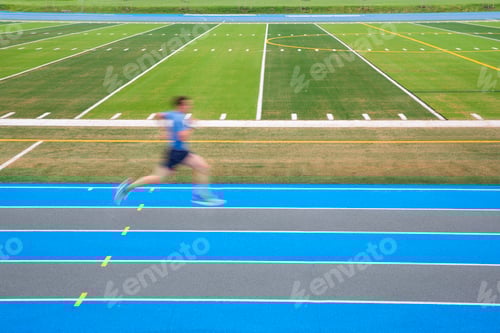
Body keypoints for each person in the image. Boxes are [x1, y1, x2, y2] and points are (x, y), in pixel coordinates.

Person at [114, 96, 225, 206]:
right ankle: (128, 188)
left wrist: (163, 130)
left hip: (178, 152)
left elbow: (158, 115)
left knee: (202, 167)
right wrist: (192, 126)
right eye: (187, 104)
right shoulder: (179, 119)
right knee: (158, 178)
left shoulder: (172, 114)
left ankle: (202, 195)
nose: (189, 106)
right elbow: (183, 137)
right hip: (178, 153)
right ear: (180, 105)